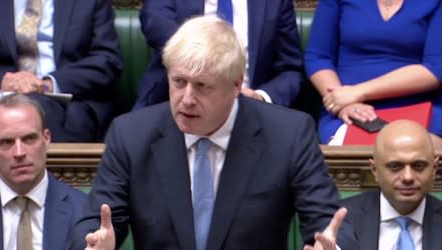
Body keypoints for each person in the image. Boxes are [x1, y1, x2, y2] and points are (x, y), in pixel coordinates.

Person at [70, 16, 357, 250]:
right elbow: (96, 223)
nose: (186, 98)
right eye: (178, 81)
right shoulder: (130, 135)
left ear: (236, 85)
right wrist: (94, 243)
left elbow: (330, 227)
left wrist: (332, 247)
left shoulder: (288, 134)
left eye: (202, 86)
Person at [305, 0, 442, 145]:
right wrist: (341, 102)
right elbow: (318, 57)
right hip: (348, 109)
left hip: (420, 106)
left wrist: (357, 92)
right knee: (356, 154)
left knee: (415, 151)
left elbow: (436, 68)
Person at [133, 0, 303, 109]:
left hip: (250, 109)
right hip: (175, 103)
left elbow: (290, 69)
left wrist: (260, 98)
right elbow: (154, 23)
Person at [0, 0, 123, 142]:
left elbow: (108, 60)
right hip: (0, 95)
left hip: (72, 99)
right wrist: (4, 82)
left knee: (44, 111)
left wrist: (48, 84)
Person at [0, 94, 86, 249]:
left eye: (29, 139)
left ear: (47, 139)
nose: (19, 152)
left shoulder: (82, 210)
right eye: (6, 142)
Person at [341, 120, 442, 250]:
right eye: (395, 166)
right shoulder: (342, 218)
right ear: (375, 170)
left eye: (418, 166)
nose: (408, 177)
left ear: (434, 169)